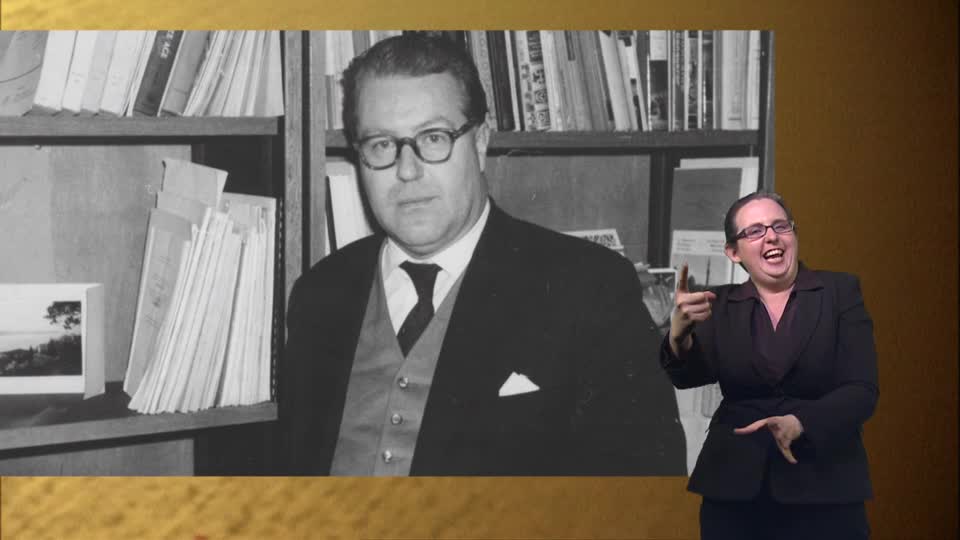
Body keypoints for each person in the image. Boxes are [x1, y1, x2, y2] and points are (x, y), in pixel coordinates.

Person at [280, 33, 685, 476]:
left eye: (433, 138)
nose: (407, 170)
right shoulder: (320, 295)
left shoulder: (588, 290)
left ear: (480, 143)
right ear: (358, 158)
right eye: (381, 145)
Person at [663, 192, 878, 539]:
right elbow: (688, 377)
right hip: (734, 493)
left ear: (793, 234)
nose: (771, 236)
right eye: (755, 231)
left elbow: (862, 390)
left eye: (780, 226)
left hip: (825, 489)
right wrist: (678, 337)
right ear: (734, 252)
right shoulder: (719, 303)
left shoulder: (840, 292)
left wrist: (800, 422)